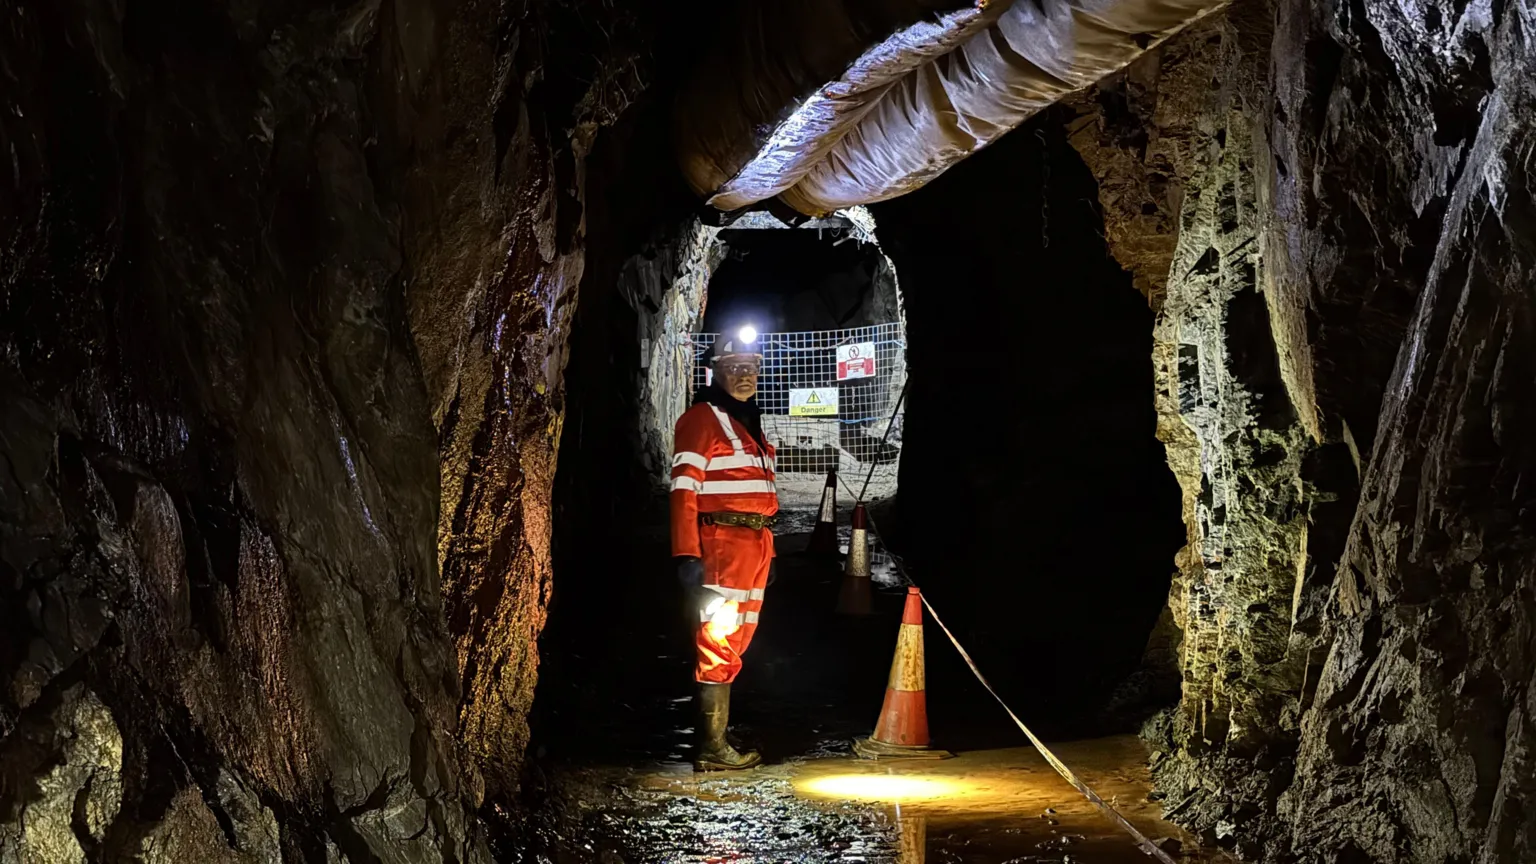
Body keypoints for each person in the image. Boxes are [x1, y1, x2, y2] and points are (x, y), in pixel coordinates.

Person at [670, 326, 778, 771]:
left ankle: (717, 735)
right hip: (721, 544)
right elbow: (683, 490)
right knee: (717, 637)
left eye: (750, 368)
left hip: (753, 544)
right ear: (715, 372)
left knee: (738, 637)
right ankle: (711, 748)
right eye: (733, 369)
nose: (744, 376)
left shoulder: (748, 423)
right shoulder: (702, 419)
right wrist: (687, 556)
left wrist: (770, 553)